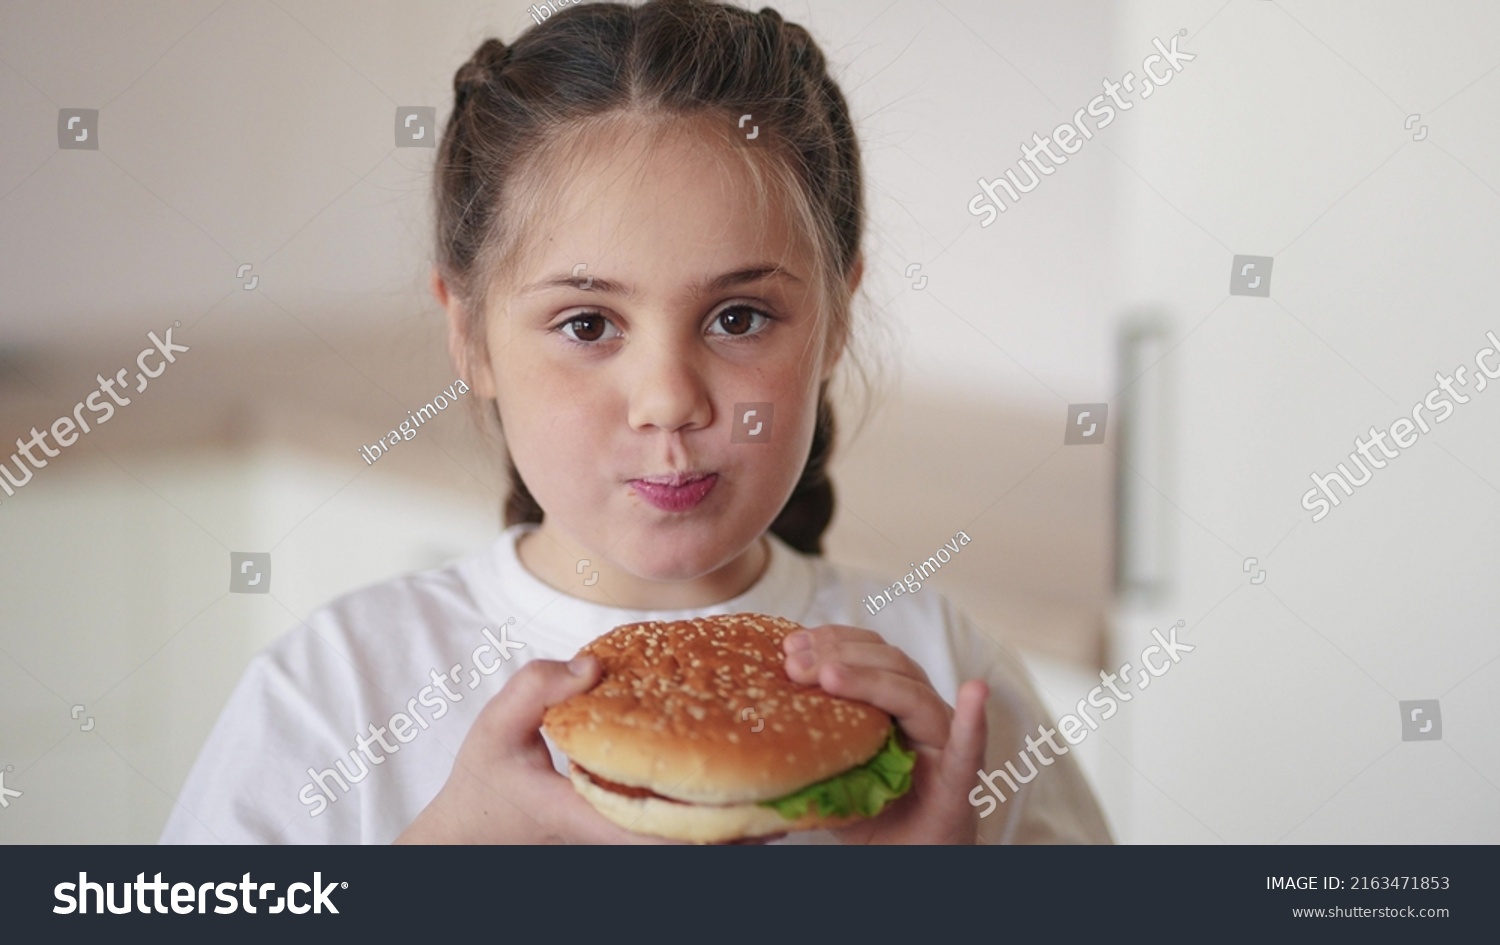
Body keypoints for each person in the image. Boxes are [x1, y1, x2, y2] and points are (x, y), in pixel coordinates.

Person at [160, 0, 1110, 845]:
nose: (668, 399)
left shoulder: (946, 679)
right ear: (471, 336)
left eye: (739, 317)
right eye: (587, 324)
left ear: (835, 322)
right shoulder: (337, 691)